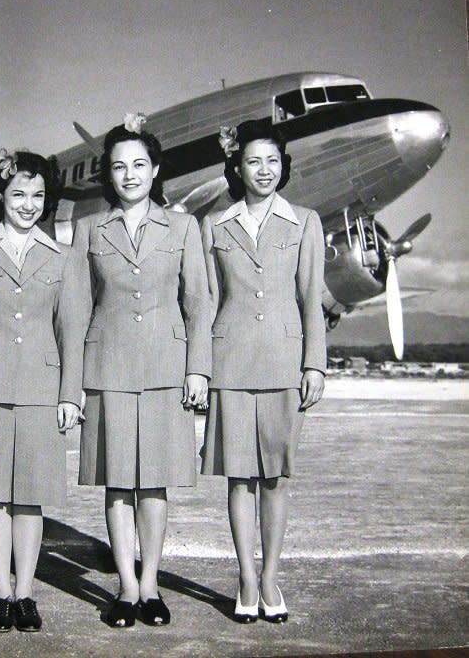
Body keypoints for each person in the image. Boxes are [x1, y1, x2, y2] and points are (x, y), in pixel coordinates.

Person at [72, 114, 211, 628]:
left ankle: (151, 584)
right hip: (105, 367)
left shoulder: (182, 227)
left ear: (154, 171)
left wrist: (198, 370)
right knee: (116, 483)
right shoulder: (88, 230)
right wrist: (72, 385)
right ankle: (126, 589)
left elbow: (198, 302)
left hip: (165, 369)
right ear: (108, 176)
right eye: (118, 167)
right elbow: (76, 307)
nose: (129, 174)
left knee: (153, 485)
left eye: (138, 165)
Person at [0, 150, 86, 633]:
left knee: (30, 498)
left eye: (38, 196)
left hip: (42, 389)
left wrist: (71, 394)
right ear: (0, 196)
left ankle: (26, 592)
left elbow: (72, 330)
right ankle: (1, 593)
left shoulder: (64, 258)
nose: (28, 204)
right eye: (19, 194)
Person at [200, 120, 326, 623]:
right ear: (237, 167)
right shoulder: (215, 224)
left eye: (272, 161)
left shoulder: (304, 222)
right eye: (254, 161)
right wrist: (199, 369)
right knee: (239, 478)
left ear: (283, 166)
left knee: (274, 477)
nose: (264, 170)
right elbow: (208, 300)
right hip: (229, 363)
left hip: (283, 362)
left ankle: (271, 577)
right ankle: (246, 579)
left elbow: (310, 298)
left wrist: (314, 362)